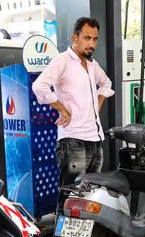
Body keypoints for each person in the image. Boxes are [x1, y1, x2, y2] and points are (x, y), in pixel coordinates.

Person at [32, 17, 115, 218]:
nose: (92, 43)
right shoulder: (63, 61)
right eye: (87, 38)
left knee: (89, 196)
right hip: (73, 139)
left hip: (95, 140)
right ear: (74, 38)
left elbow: (106, 84)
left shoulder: (92, 65)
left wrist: (97, 105)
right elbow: (39, 86)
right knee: (69, 195)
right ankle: (62, 230)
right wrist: (61, 108)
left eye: (95, 39)